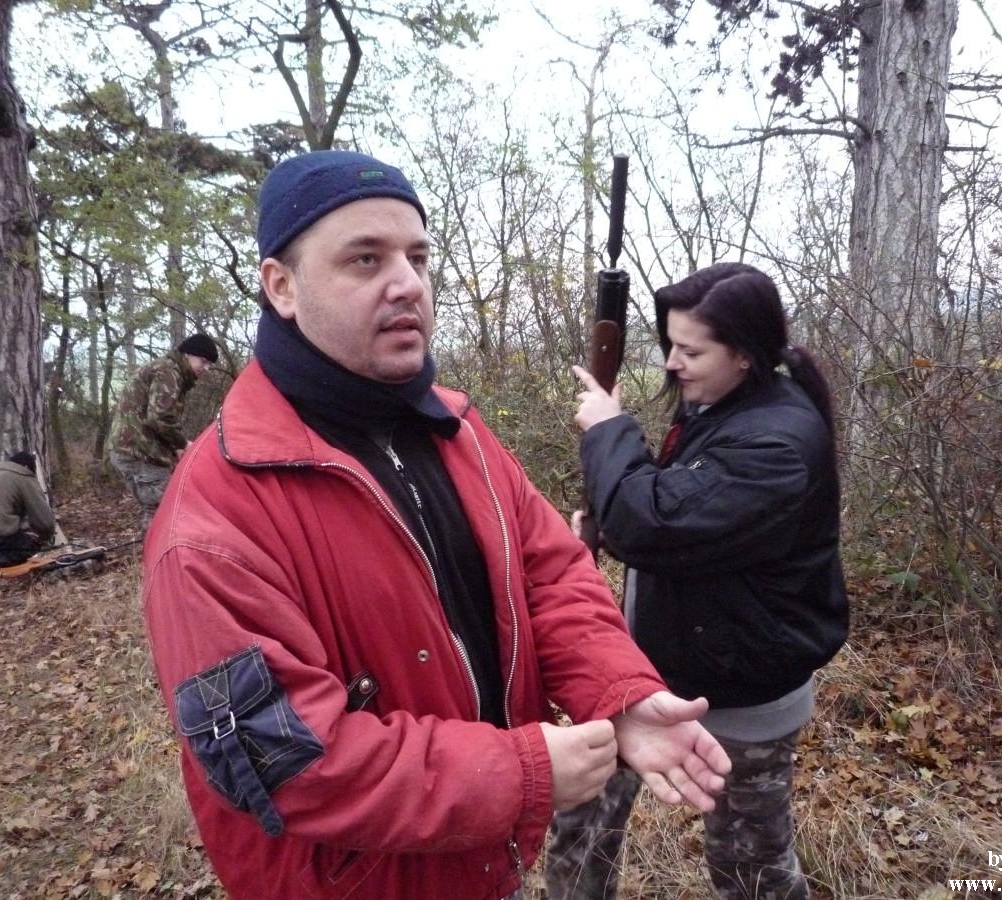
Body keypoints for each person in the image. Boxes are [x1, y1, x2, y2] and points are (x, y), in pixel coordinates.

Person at [141, 150, 732, 900]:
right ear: (281, 286)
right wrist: (520, 774)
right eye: (365, 259)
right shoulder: (214, 517)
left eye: (417, 258)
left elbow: (550, 573)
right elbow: (285, 761)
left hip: (486, 858)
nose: (408, 284)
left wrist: (618, 693)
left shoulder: (457, 430)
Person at [546, 262, 849, 900]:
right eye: (670, 345)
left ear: (744, 354)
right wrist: (605, 525)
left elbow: (655, 522)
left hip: (741, 692)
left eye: (690, 351)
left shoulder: (778, 444)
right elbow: (685, 516)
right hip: (644, 673)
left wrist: (608, 432)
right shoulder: (720, 403)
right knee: (581, 830)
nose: (671, 364)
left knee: (749, 867)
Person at [107, 332, 217, 525]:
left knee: (157, 510)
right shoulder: (168, 372)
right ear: (188, 354)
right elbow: (159, 417)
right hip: (140, 453)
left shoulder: (168, 369)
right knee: (162, 513)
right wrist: (183, 443)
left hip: (129, 449)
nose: (206, 368)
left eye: (209, 364)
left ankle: (153, 543)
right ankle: (156, 545)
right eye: (203, 361)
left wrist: (175, 447)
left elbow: (156, 417)